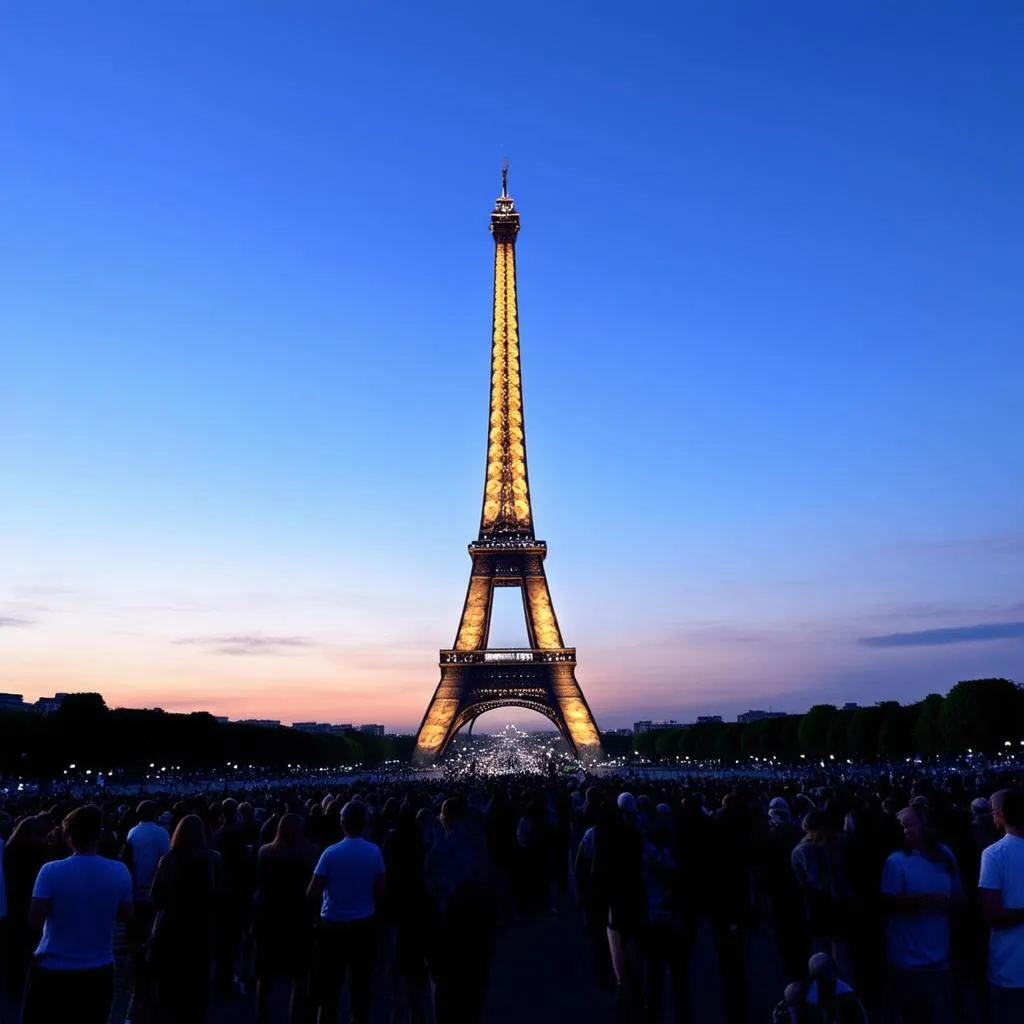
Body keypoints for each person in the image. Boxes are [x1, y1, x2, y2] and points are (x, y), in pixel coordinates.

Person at [21, 804, 134, 1024]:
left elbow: (34, 922)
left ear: (68, 836)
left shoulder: (51, 871)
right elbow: (128, 917)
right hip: (98, 968)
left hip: (53, 968)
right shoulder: (119, 871)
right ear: (99, 834)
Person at [879, 805, 961, 1023]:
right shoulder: (895, 862)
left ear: (925, 824)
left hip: (940, 955)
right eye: (900, 826)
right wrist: (926, 901)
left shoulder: (944, 854)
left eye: (908, 824)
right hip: (907, 959)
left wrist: (950, 903)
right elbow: (888, 904)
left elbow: (959, 894)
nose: (904, 830)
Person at [307, 800, 386, 1024]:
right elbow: (382, 891)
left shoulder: (330, 853)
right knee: (361, 989)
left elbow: (312, 892)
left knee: (329, 991)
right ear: (365, 824)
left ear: (342, 822)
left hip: (332, 926)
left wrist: (316, 921)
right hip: (364, 926)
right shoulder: (374, 852)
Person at [424, 796, 496, 1024]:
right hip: (477, 932)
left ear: (445, 818)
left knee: (445, 995)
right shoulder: (482, 847)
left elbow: (430, 893)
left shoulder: (437, 850)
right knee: (472, 995)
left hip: (447, 931)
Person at [149, 813, 222, 1024]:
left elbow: (156, 896)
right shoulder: (213, 859)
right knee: (197, 989)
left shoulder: (169, 860)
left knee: (170, 990)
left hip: (171, 930)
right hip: (201, 930)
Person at [254, 812, 318, 1024]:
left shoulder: (265, 852)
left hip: (270, 918)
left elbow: (261, 884)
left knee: (265, 977)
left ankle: (262, 1018)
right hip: (299, 919)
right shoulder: (310, 852)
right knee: (300, 979)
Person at [977, 789, 1024, 1024]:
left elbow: (992, 913)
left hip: (1009, 969)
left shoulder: (994, 855)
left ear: (1002, 815)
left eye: (994, 813)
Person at [122, 799, 170, 1022]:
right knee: (153, 935)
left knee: (136, 938)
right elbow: (166, 861)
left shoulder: (132, 832)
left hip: (134, 891)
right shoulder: (161, 834)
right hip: (152, 891)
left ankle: (137, 973)